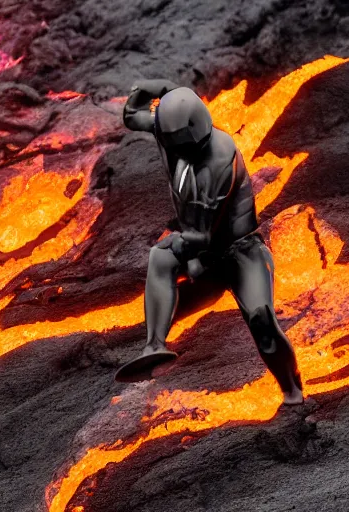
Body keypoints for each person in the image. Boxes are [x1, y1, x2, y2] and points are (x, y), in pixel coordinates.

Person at [116, 79, 304, 405]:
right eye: (171, 141)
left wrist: (186, 255)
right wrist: (153, 88)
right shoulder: (169, 135)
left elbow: (200, 234)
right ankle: (154, 346)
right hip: (206, 256)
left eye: (184, 145)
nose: (177, 151)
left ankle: (293, 393)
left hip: (242, 252)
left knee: (262, 321)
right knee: (160, 258)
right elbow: (133, 115)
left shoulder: (219, 155)